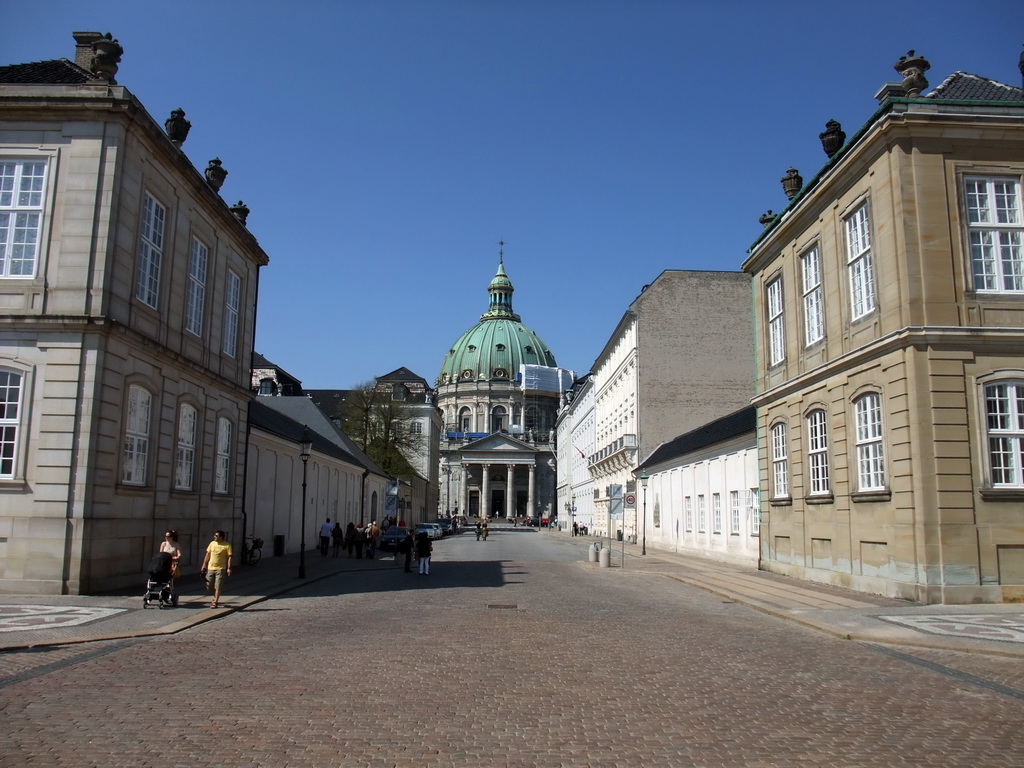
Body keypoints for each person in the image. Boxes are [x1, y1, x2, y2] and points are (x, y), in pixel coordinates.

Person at [200, 530, 232, 608]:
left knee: (218, 585)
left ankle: (215, 602)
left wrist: (229, 568)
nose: (214, 537)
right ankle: (216, 594)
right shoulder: (212, 543)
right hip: (211, 567)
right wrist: (204, 564)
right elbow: (208, 554)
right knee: (209, 584)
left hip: (221, 568)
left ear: (221, 537)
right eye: (214, 535)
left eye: (216, 536)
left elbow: (229, 557)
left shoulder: (227, 545)